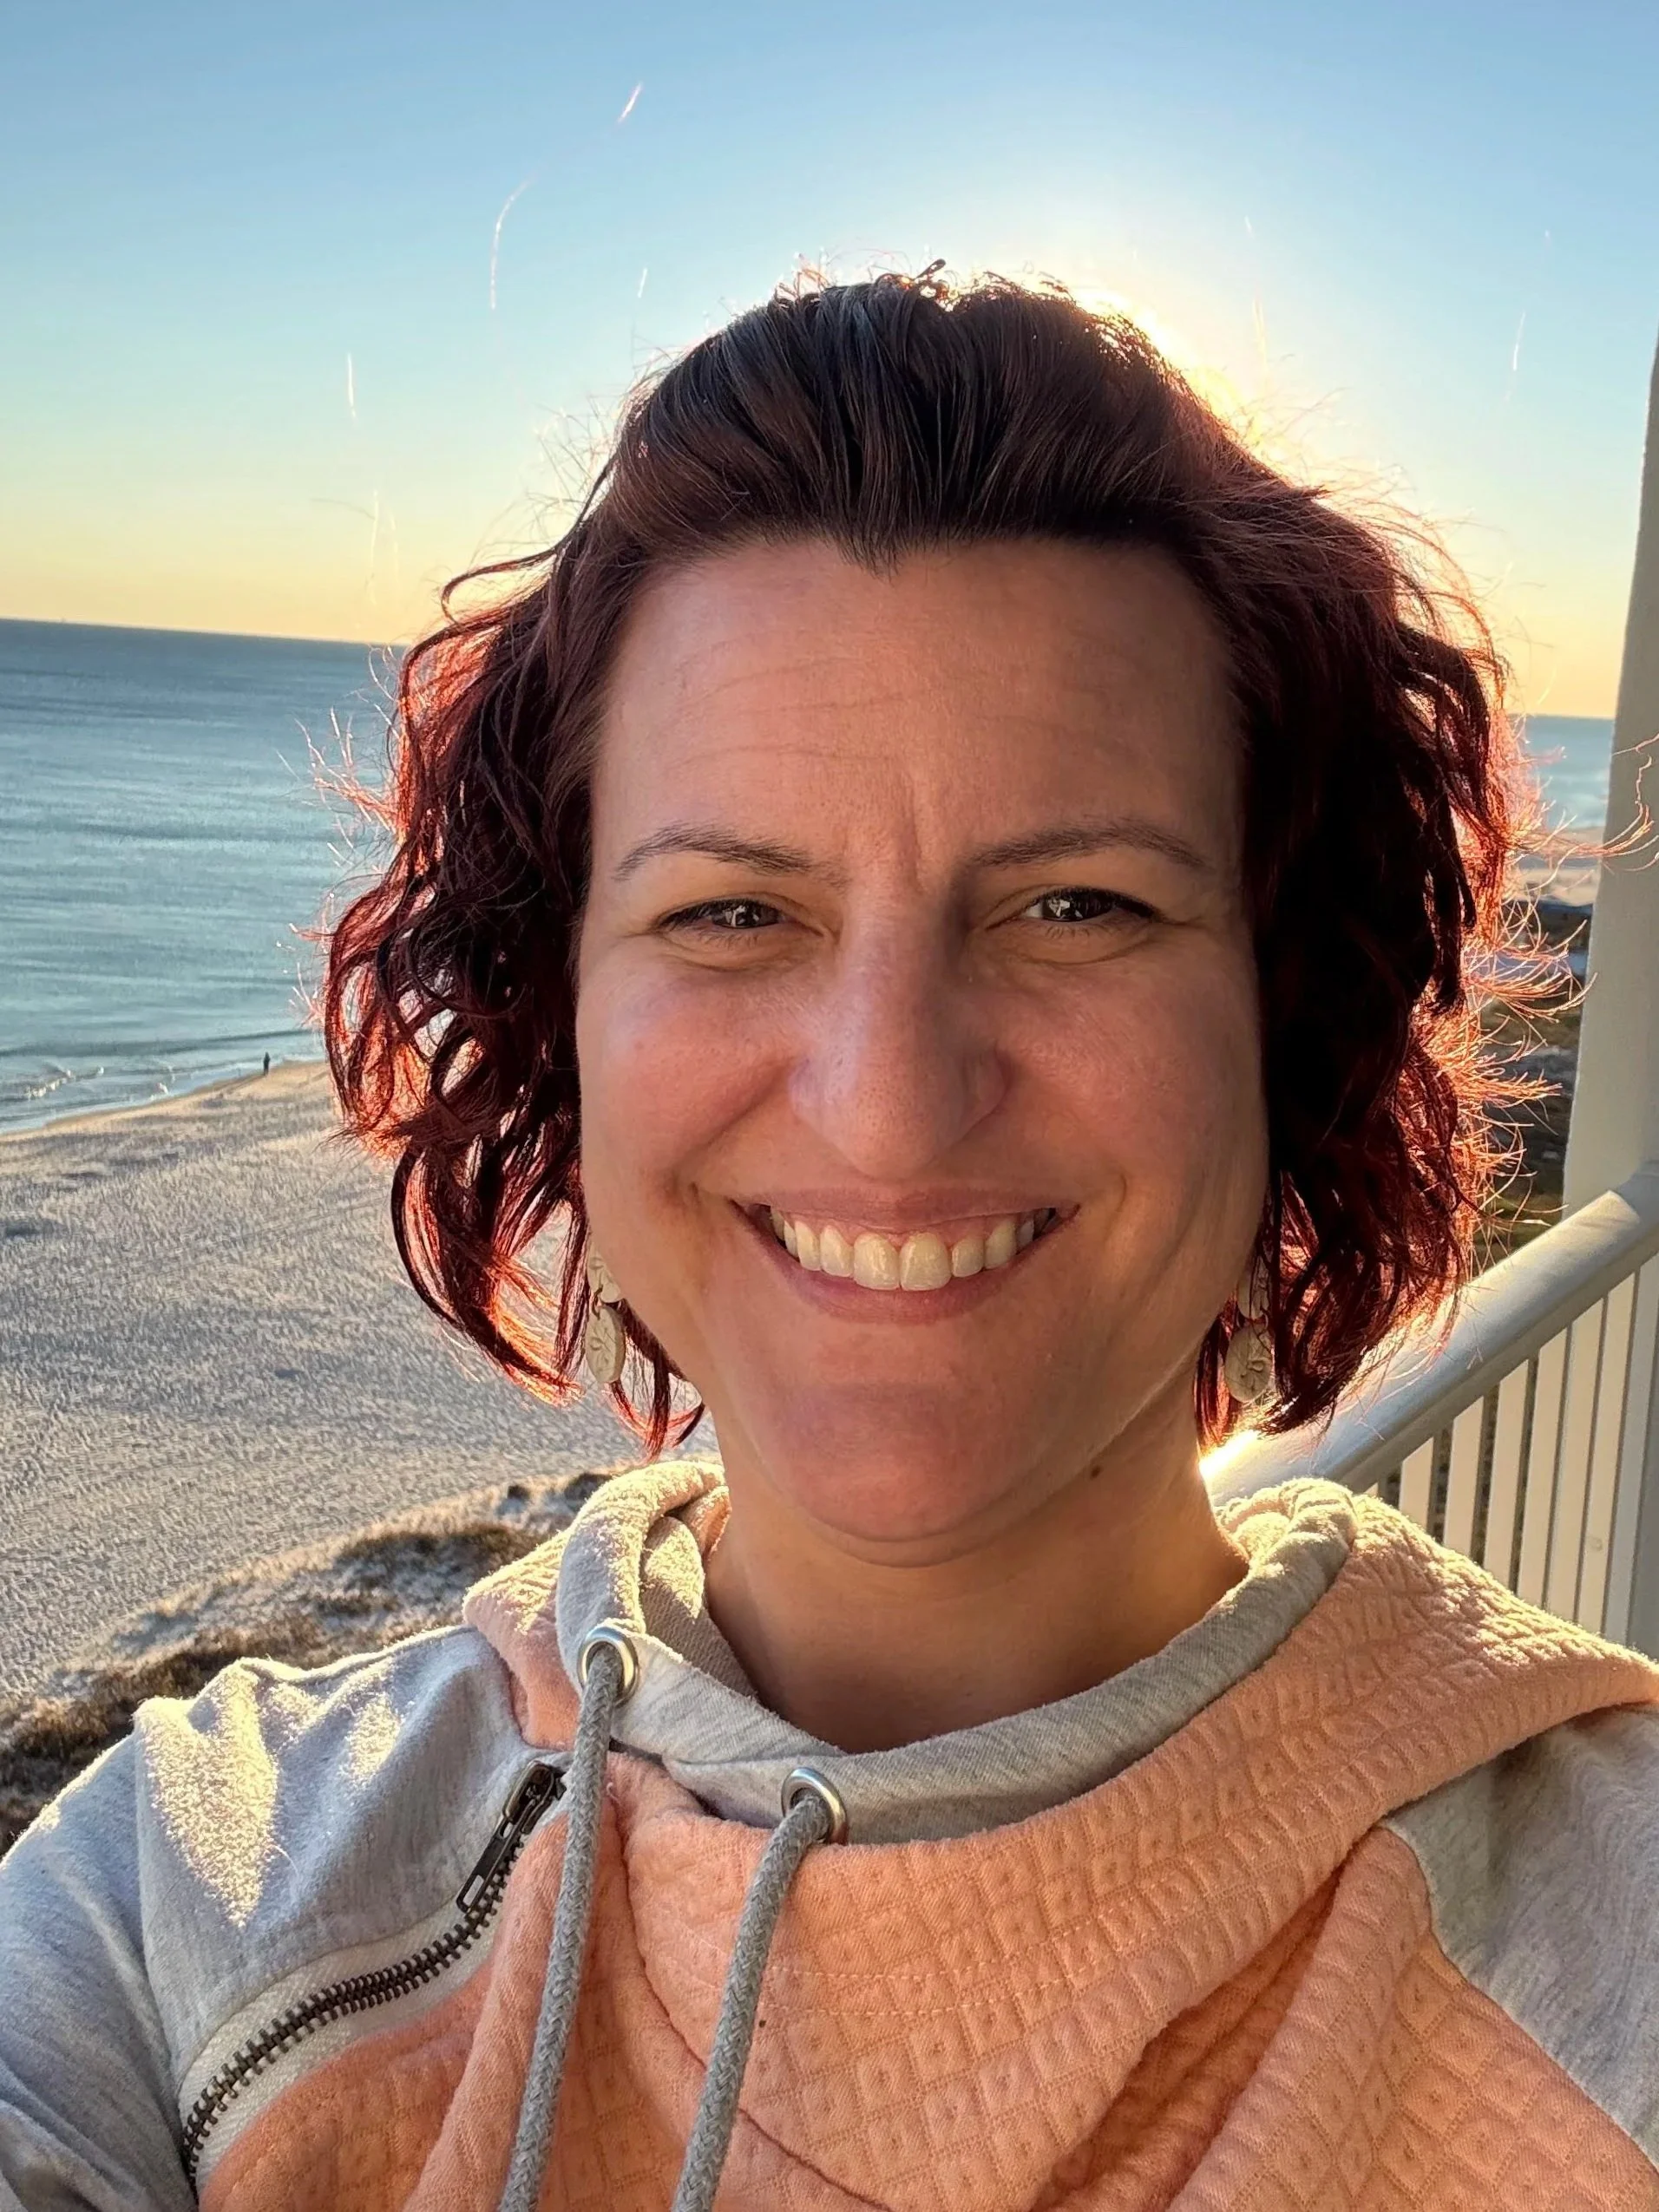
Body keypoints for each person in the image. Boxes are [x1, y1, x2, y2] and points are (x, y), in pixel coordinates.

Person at [3, 269, 1657, 2212]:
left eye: (1074, 909)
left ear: (1280, 1025)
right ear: (563, 1025)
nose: (883, 1102)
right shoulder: (183, 1905)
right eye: (730, 916)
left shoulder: (1600, 1942)